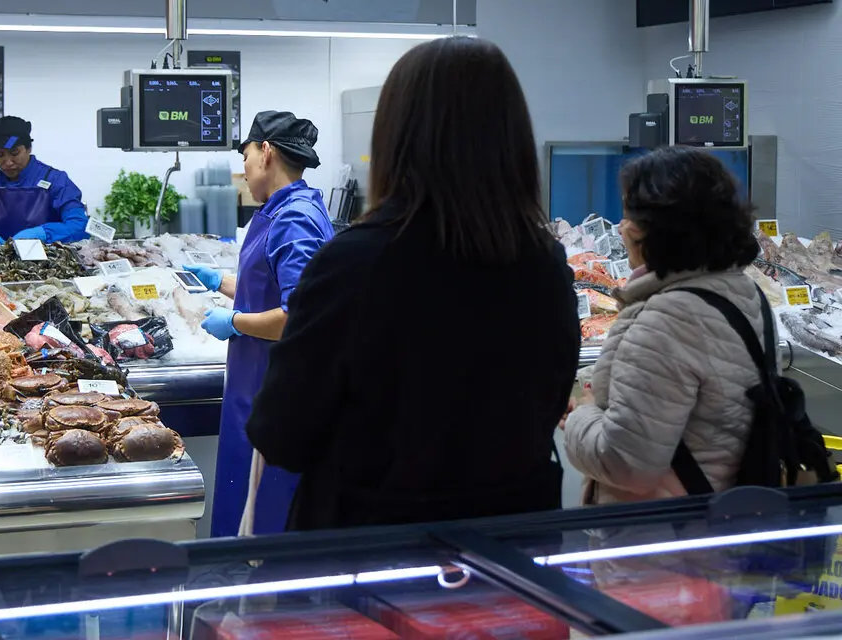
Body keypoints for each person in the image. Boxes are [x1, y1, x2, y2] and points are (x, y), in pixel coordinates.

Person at [245, 37, 580, 531]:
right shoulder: (545, 265)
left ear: (395, 137)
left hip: (369, 560)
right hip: (510, 552)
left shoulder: (353, 265)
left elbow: (280, 435)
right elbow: (549, 403)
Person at [564, 146, 762, 505]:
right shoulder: (746, 294)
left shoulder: (664, 320)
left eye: (626, 215)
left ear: (643, 231)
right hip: (725, 522)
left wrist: (584, 414)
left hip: (663, 542)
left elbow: (627, 465)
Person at [183, 110, 335, 537]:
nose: (244, 168)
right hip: (252, 386)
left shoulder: (295, 219)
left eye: (246, 155)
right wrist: (223, 283)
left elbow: (301, 317)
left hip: (273, 392)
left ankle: (255, 600)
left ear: (266, 152)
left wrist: (234, 322)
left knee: (258, 532)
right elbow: (273, 287)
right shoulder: (280, 209)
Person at [0, 116, 90, 247]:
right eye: (0, 155)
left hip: (47, 260)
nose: (8, 162)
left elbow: (79, 225)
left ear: (29, 148)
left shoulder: (55, 180)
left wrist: (44, 234)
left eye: (14, 153)